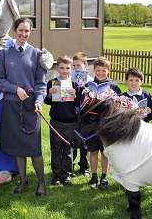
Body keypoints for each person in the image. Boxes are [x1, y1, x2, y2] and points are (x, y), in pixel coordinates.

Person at [0, 17, 48, 197]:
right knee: (18, 146)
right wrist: (15, 89)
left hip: (31, 106)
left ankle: (41, 182)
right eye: (21, 30)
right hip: (11, 106)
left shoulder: (37, 54)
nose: (24, 34)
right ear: (14, 31)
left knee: (34, 147)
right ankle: (23, 180)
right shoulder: (4, 54)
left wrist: (39, 100)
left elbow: (41, 83)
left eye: (27, 31)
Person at [82, 56, 122, 190]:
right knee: (93, 151)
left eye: (104, 71)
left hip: (106, 124)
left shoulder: (114, 87)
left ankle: (104, 177)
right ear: (94, 70)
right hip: (92, 125)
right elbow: (82, 105)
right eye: (98, 71)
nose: (100, 73)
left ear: (108, 71)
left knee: (105, 152)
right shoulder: (88, 85)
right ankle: (94, 177)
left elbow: (119, 106)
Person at [44, 55, 80, 186]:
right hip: (56, 121)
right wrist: (50, 93)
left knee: (68, 149)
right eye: (62, 68)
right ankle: (56, 174)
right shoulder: (52, 82)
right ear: (57, 68)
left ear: (72, 69)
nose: (65, 70)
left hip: (71, 121)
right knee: (56, 148)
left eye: (67, 68)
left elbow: (79, 103)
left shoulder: (75, 85)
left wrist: (75, 95)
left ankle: (67, 175)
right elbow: (47, 102)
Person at [71, 51, 92, 177]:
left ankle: (85, 167)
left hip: (86, 115)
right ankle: (70, 166)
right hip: (73, 113)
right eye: (74, 66)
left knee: (85, 141)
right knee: (73, 140)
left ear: (85, 65)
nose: (76, 68)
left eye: (78, 65)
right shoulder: (70, 79)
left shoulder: (90, 81)